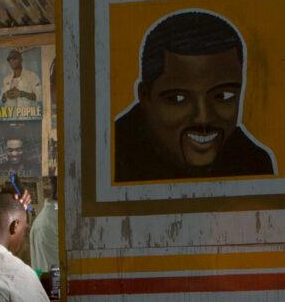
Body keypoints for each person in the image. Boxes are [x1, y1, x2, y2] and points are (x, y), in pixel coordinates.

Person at [111, 9, 276, 182]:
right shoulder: (108, 159)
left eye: (223, 96)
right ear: (145, 96)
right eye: (177, 99)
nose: (203, 119)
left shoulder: (253, 163)